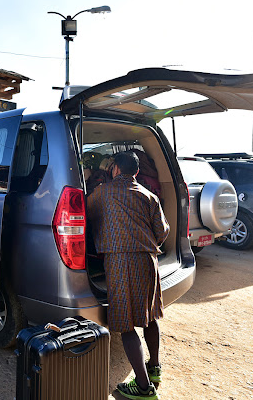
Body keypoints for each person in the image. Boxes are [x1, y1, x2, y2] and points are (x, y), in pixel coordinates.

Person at [87, 151, 169, 400]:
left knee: (126, 324)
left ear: (114, 169)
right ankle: (154, 369)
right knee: (149, 315)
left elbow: (87, 214)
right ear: (135, 172)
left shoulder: (102, 192)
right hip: (148, 259)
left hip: (120, 260)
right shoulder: (149, 195)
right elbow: (163, 231)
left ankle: (144, 389)